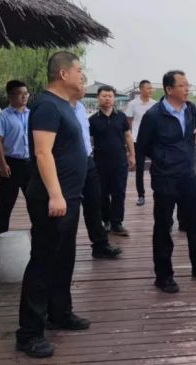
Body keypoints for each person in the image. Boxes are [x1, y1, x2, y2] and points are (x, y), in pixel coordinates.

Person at [16, 51, 91, 359]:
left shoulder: (65, 105)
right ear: (63, 74)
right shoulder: (47, 105)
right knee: (44, 262)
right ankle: (29, 333)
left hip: (69, 197)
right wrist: (56, 195)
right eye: (79, 70)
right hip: (52, 198)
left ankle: (59, 312)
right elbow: (43, 153)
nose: (81, 75)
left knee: (64, 258)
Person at [137, 70, 196, 293]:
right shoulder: (154, 115)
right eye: (182, 85)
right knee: (164, 227)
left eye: (187, 85)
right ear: (169, 89)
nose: (187, 89)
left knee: (195, 223)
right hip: (164, 179)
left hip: (188, 177)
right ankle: (163, 276)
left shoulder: (190, 109)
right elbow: (142, 147)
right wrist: (161, 161)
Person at [72, 77, 122, 259]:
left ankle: (100, 245)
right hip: (71, 164)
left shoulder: (80, 108)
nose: (84, 87)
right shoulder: (56, 107)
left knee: (94, 204)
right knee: (71, 210)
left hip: (88, 161)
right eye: (80, 82)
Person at [89, 86, 136, 236]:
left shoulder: (121, 117)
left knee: (119, 192)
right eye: (104, 96)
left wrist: (132, 155)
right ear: (98, 98)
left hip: (119, 160)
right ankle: (106, 221)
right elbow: (88, 141)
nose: (107, 98)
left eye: (110, 96)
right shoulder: (92, 120)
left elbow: (128, 136)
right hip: (100, 162)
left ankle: (117, 223)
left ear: (114, 98)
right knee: (102, 193)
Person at [0, 80, 30, 239]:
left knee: (35, 202)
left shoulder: (32, 114)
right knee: (5, 204)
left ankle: (40, 238)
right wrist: (2, 164)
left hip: (30, 164)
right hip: (11, 163)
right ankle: (0, 238)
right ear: (10, 96)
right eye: (20, 93)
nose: (24, 96)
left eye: (26, 93)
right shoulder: (2, 117)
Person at [125, 79, 157, 206]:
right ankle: (141, 195)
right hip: (137, 140)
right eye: (148, 88)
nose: (150, 90)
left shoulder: (155, 104)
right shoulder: (133, 104)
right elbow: (129, 123)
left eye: (151, 88)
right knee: (140, 169)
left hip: (153, 141)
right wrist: (130, 142)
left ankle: (157, 191)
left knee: (157, 166)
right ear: (141, 89)